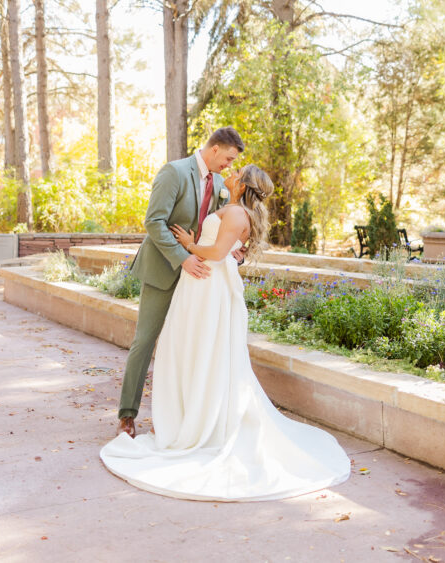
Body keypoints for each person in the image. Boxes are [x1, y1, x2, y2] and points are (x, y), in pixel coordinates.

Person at [100, 164, 350, 501]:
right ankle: (183, 415)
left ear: (244, 184)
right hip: (200, 283)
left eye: (237, 171)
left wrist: (189, 244)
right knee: (189, 348)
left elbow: (217, 253)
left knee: (200, 348)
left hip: (206, 281)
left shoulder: (235, 212)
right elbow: (226, 247)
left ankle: (197, 422)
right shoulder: (233, 206)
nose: (229, 173)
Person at [116, 127, 245, 438]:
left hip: (198, 282)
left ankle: (183, 418)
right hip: (164, 271)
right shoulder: (173, 172)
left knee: (189, 347)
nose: (229, 165)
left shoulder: (220, 185)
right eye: (228, 158)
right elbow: (153, 222)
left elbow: (215, 229)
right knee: (144, 341)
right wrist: (182, 257)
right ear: (215, 149)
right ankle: (127, 415)